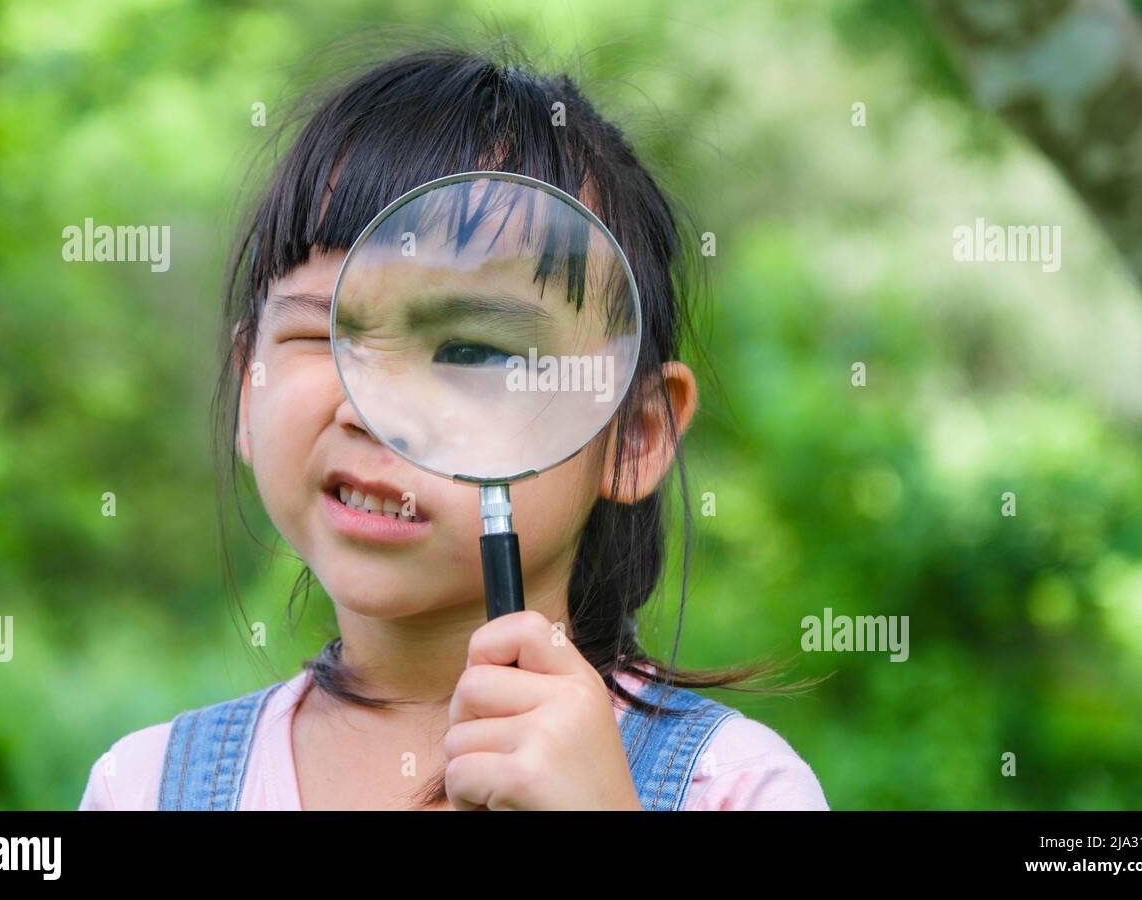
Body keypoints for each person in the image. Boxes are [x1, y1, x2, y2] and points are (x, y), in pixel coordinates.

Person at [78, 40, 829, 811]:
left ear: (633, 435)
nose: (370, 411)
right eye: (323, 337)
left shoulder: (732, 788)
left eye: (473, 351)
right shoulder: (142, 787)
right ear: (248, 386)